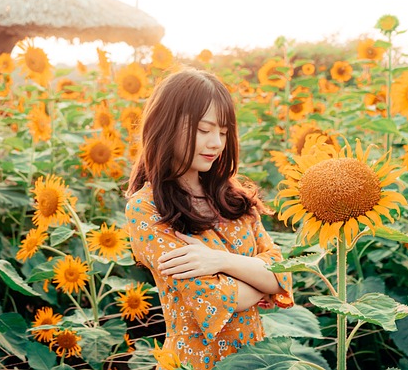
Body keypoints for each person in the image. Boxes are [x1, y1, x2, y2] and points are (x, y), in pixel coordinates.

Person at [125, 68, 293, 368]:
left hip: (257, 360)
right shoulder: (147, 209)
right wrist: (262, 281)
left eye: (224, 132)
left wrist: (220, 261)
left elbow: (283, 274)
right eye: (204, 130)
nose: (216, 142)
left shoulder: (234, 197)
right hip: (196, 362)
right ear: (166, 126)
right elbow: (215, 299)